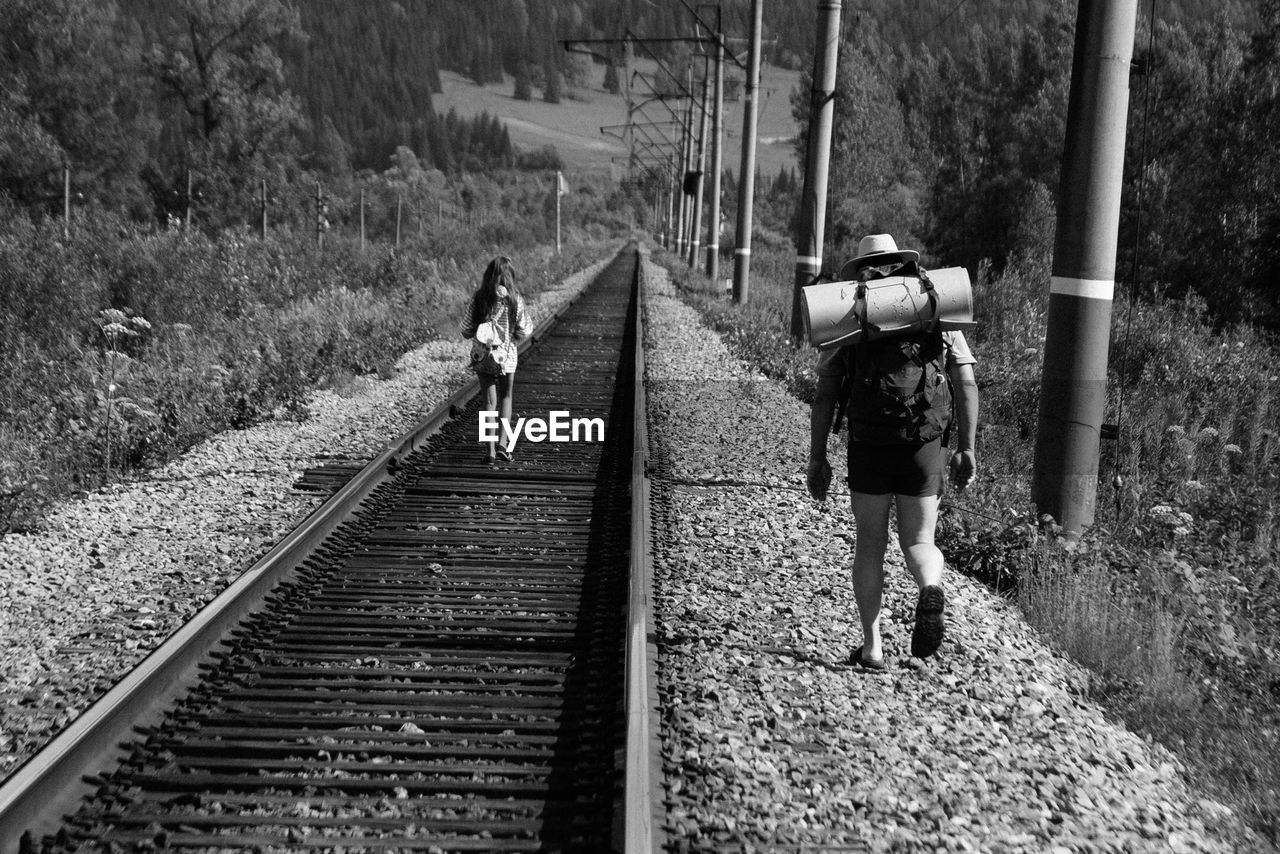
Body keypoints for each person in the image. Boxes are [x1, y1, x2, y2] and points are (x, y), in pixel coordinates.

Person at [806, 234, 979, 668]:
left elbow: (826, 394)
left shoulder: (850, 309)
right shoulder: (931, 304)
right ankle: (930, 588)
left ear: (862, 268)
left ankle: (872, 647)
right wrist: (967, 448)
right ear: (905, 262)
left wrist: (818, 455)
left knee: (870, 544)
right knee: (920, 540)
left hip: (870, 444)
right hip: (924, 442)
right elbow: (966, 383)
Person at [461, 256, 533, 464]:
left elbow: (465, 329)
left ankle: (490, 452)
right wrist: (512, 334)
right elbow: (526, 329)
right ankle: (503, 445)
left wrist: (480, 331)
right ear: (510, 276)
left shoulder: (480, 298)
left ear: (488, 274)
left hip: (483, 357)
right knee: (506, 398)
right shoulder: (514, 299)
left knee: (489, 403)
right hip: (507, 356)